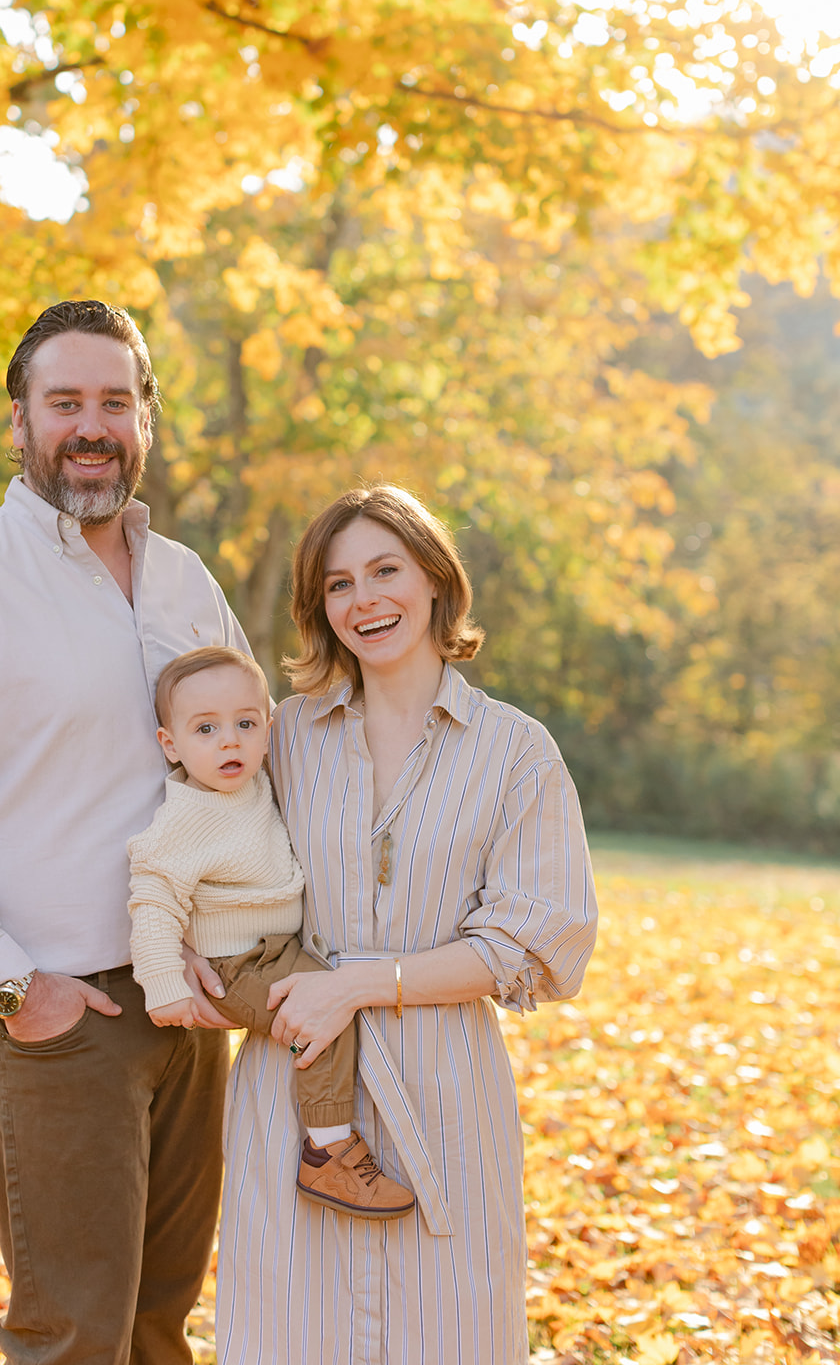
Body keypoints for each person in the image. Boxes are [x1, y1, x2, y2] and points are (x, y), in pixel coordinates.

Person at [0, 300, 247, 1365]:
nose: (90, 425)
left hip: (190, 1011)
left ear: (145, 420)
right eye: (63, 401)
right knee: (74, 1336)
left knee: (161, 1328)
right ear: (18, 424)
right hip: (56, 1018)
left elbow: (248, 769)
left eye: (114, 401)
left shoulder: (185, 582)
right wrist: (16, 987)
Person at [214, 485, 598, 1365]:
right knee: (287, 1334)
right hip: (296, 1083)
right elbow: (209, 863)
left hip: (444, 1084)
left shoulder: (514, 750)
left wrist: (361, 982)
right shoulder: (281, 737)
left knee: (450, 1331)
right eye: (339, 585)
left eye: (385, 570)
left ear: (434, 578)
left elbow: (537, 943)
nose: (365, 600)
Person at [127, 645, 414, 1218]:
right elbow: (153, 898)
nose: (229, 741)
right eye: (205, 728)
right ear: (170, 745)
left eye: (245, 724)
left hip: (276, 951)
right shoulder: (183, 818)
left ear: (268, 731)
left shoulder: (255, 784)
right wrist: (164, 984)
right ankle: (327, 1149)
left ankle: (330, 1140)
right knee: (323, 1014)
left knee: (328, 998)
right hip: (237, 967)